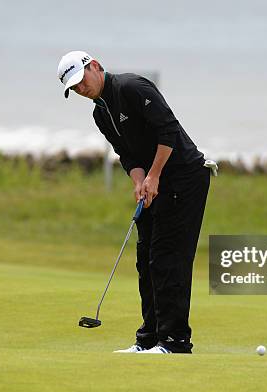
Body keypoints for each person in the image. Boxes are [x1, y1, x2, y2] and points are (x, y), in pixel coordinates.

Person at [58, 50, 211, 354]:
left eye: (80, 80)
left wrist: (154, 176)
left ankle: (175, 341)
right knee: (146, 259)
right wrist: (140, 181)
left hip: (183, 176)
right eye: (73, 88)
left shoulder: (132, 88)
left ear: (96, 66)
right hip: (155, 182)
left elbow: (167, 131)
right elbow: (127, 154)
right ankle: (150, 339)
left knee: (168, 258)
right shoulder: (100, 112)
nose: (80, 89)